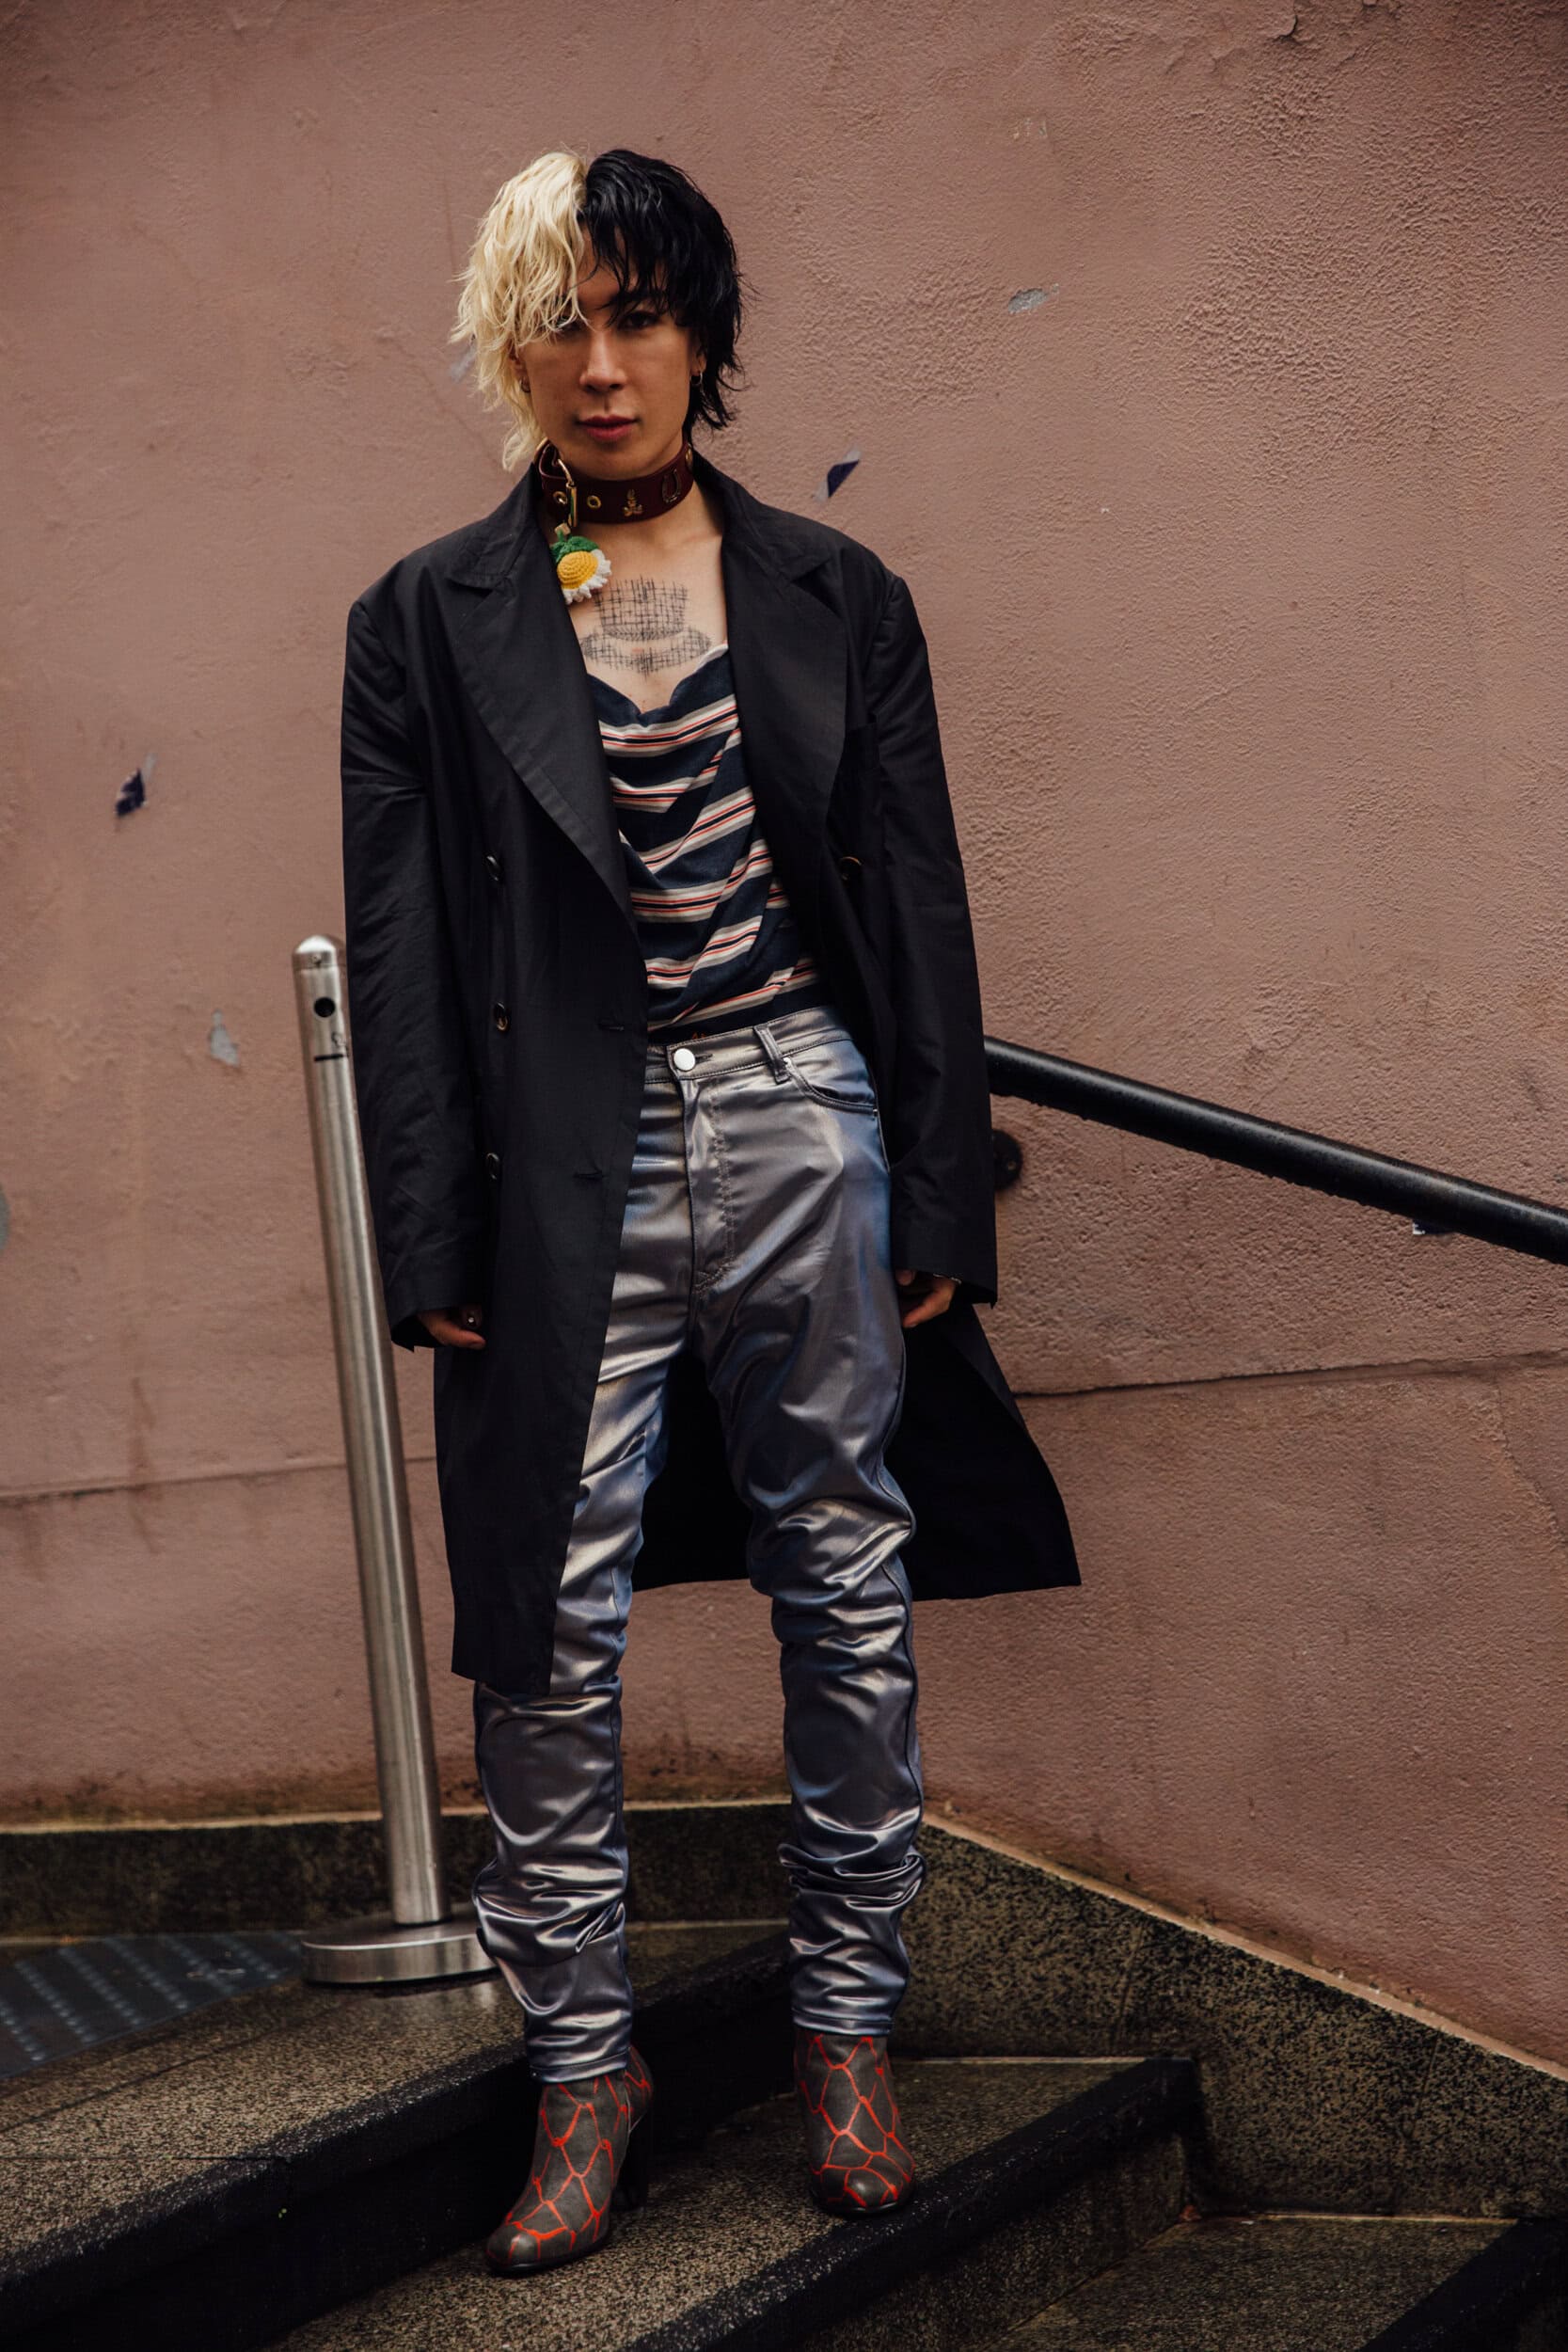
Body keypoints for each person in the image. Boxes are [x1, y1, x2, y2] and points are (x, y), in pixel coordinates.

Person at [340, 146, 1078, 2278]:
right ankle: (586, 2066)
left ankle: (848, 2034)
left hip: (802, 1117)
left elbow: (917, 906)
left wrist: (935, 1179)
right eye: (561, 322)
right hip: (555, 1160)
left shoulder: (838, 592)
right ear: (510, 351)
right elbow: (401, 955)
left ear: (703, 338)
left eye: (641, 315)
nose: (603, 362)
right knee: (545, 1618)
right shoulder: (422, 622)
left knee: (844, 1573)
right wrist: (427, 1234)